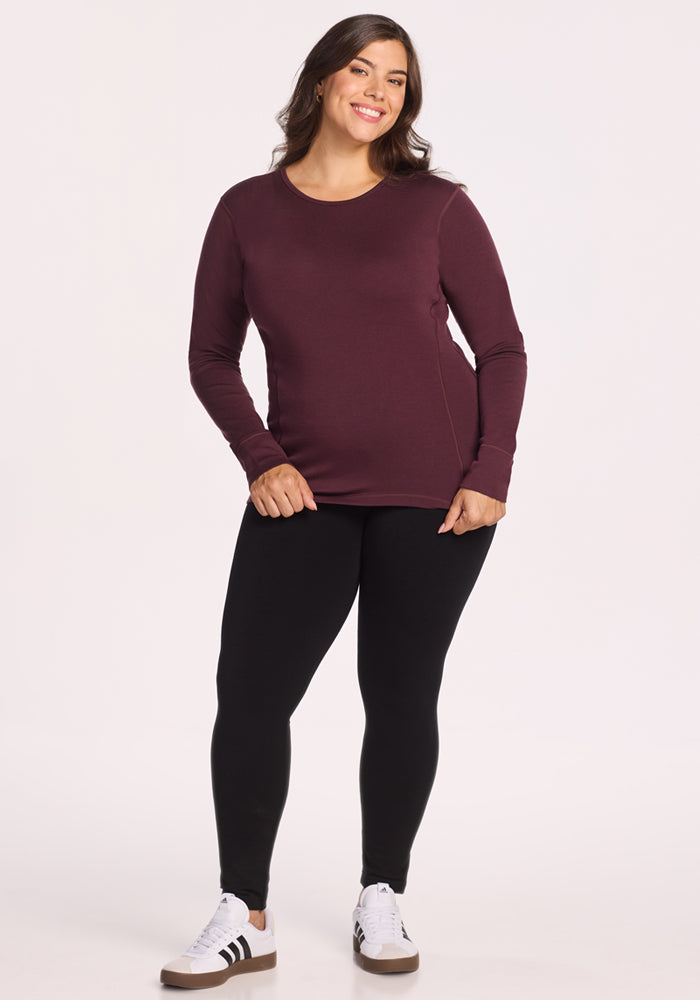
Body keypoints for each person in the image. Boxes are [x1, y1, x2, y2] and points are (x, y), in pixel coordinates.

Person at [160, 12, 527, 989]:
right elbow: (208, 355)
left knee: (397, 692)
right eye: (360, 69)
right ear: (322, 79)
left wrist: (489, 471)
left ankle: (382, 893)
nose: (376, 89)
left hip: (435, 493)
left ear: (405, 102)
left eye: (396, 79)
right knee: (250, 693)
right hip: (304, 490)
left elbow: (500, 348)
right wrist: (260, 455)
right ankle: (245, 911)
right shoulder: (247, 209)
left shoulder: (436, 207)